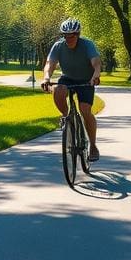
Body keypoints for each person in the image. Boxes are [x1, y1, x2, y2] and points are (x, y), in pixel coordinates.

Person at [41, 18, 102, 161]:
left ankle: (93, 146)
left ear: (78, 34)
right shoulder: (58, 46)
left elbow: (96, 62)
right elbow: (50, 64)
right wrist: (46, 78)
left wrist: (96, 75)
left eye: (72, 35)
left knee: (85, 109)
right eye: (65, 36)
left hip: (86, 80)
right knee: (58, 90)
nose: (68, 39)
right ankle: (66, 117)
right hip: (67, 78)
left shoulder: (87, 44)